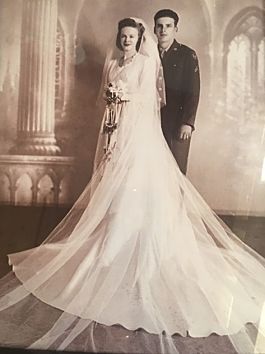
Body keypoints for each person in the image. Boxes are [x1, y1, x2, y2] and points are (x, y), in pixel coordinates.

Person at [0, 17, 264, 354]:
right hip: (114, 133)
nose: (127, 41)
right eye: (123, 36)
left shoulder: (144, 64)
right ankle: (112, 246)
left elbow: (148, 105)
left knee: (137, 193)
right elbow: (106, 103)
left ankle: (137, 251)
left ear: (140, 39)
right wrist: (113, 113)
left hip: (137, 138)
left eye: (132, 37)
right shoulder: (112, 64)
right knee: (114, 193)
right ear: (119, 39)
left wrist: (124, 105)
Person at [154, 9, 200, 175]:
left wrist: (187, 123)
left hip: (177, 122)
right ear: (154, 29)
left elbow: (193, 91)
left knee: (176, 171)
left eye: (168, 26)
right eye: (159, 26)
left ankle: (176, 202)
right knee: (154, 170)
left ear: (176, 29)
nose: (163, 30)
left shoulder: (187, 54)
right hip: (152, 121)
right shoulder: (148, 55)